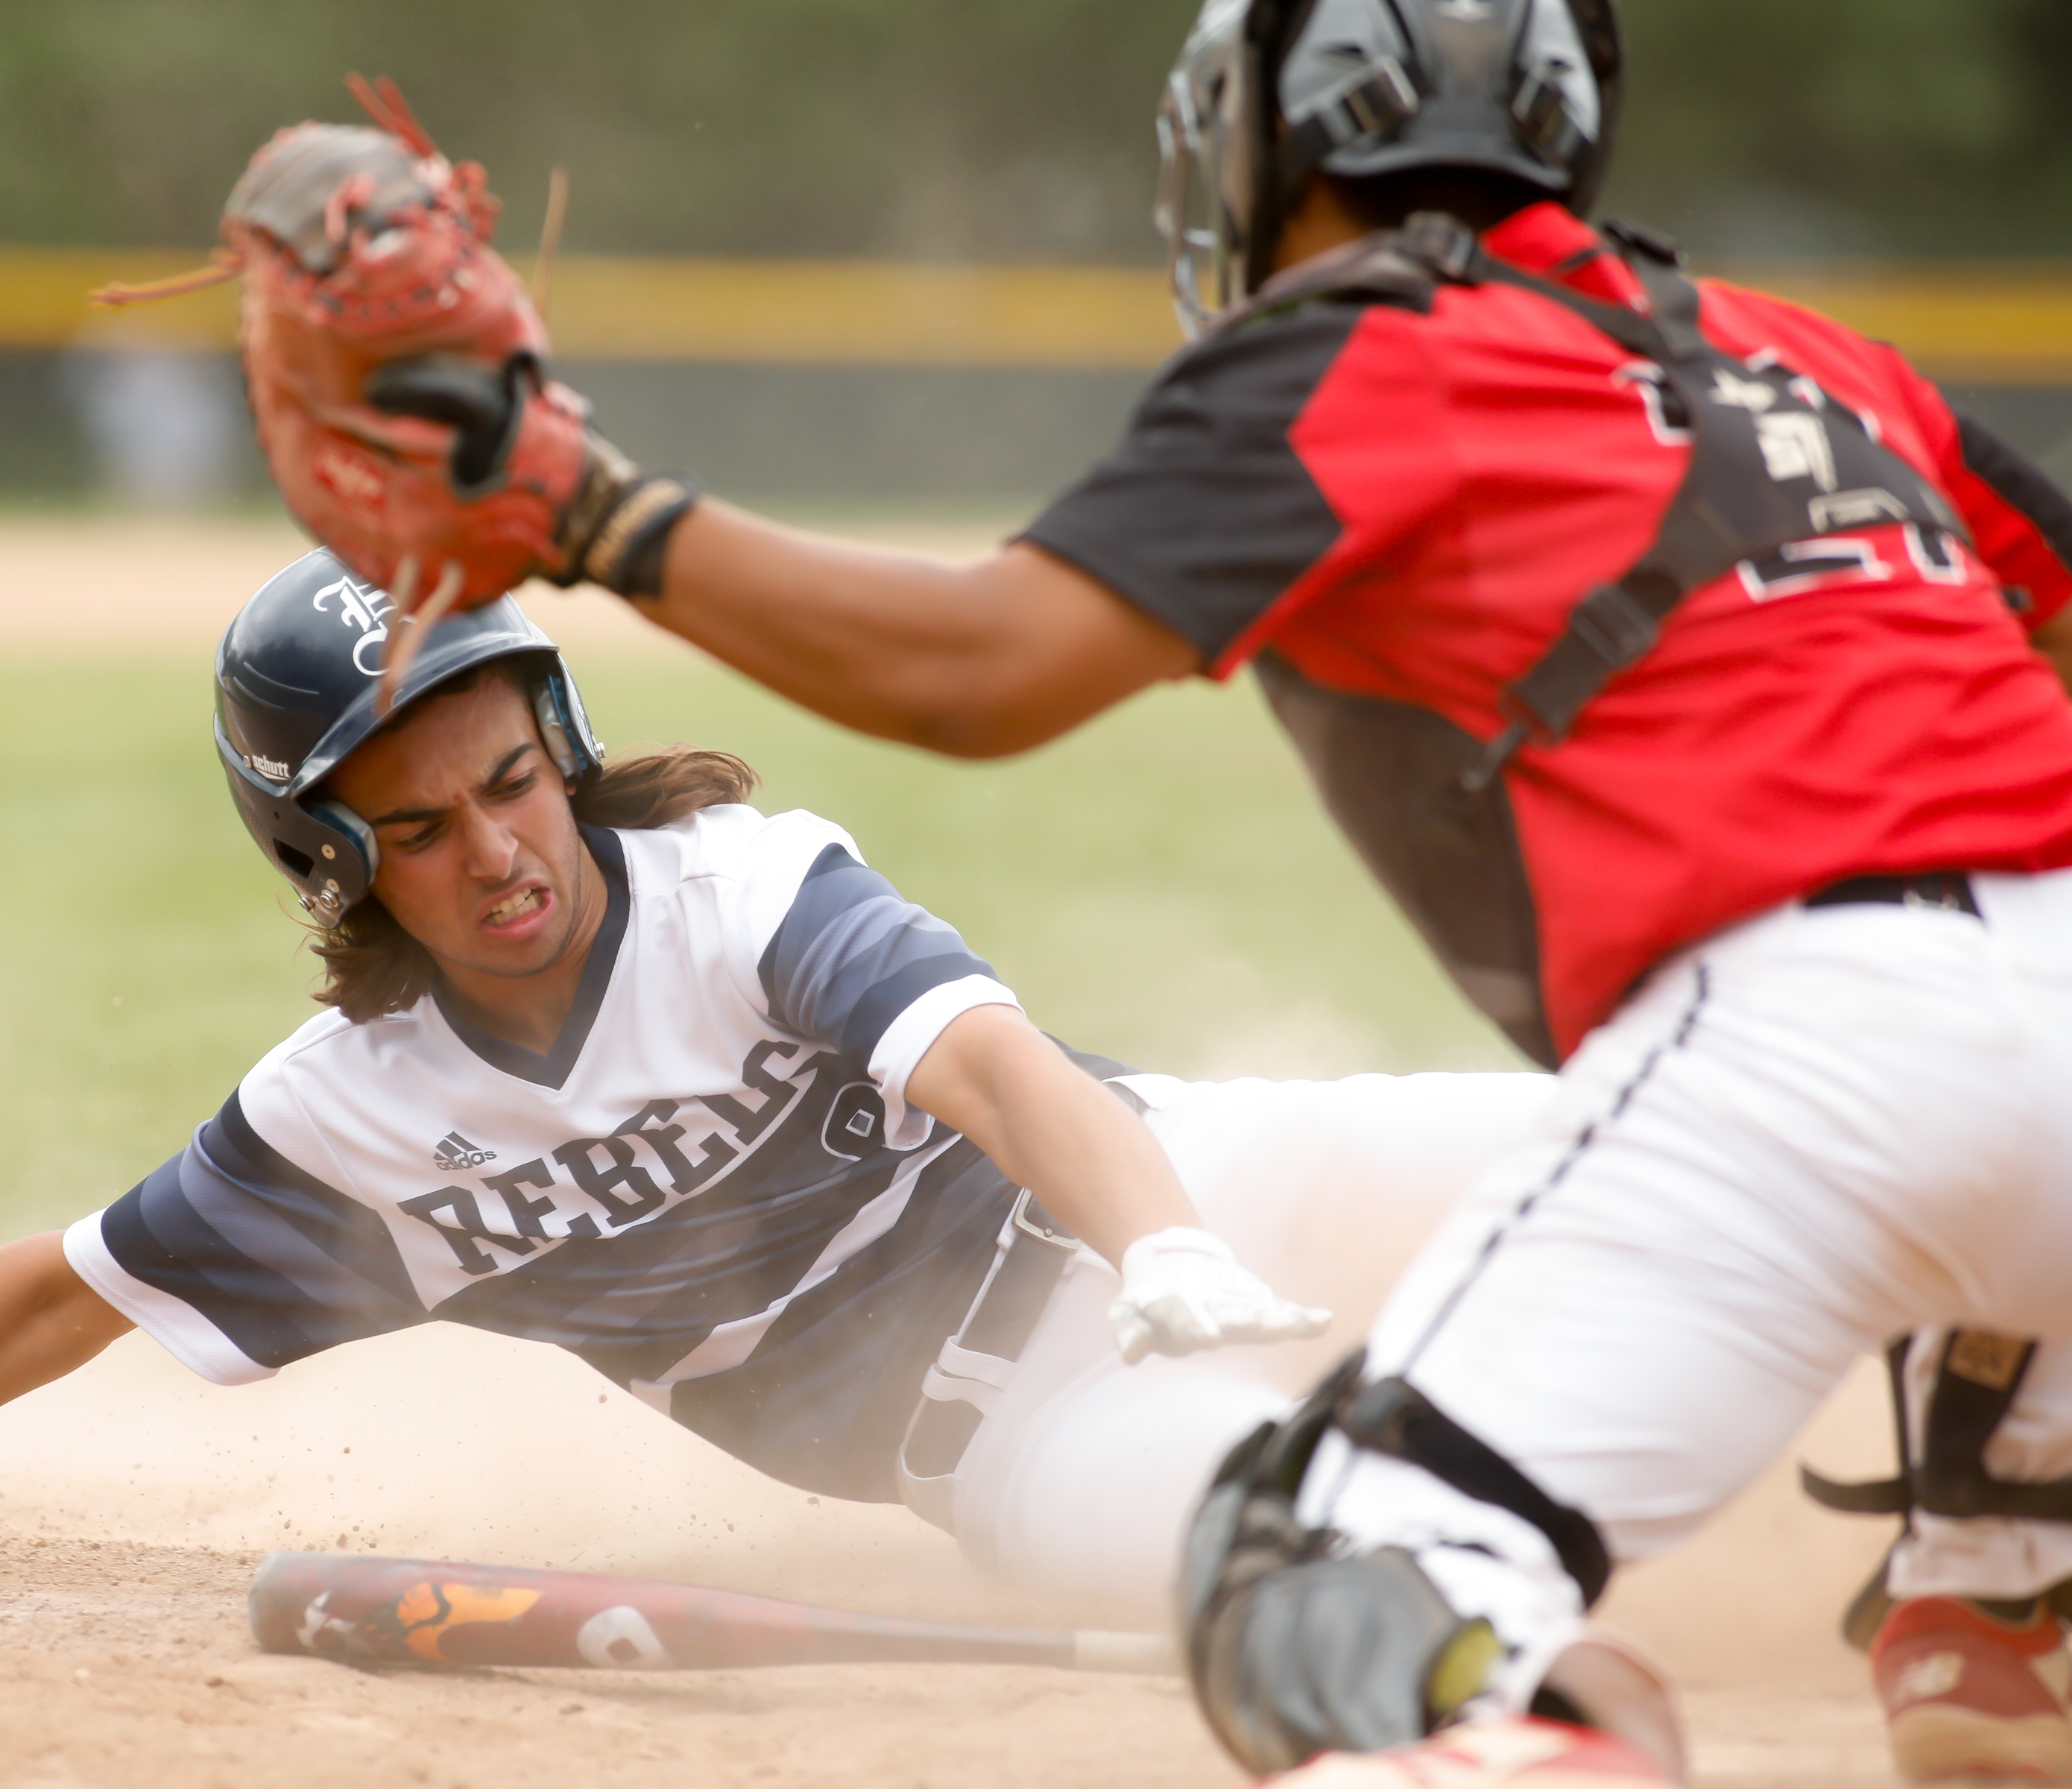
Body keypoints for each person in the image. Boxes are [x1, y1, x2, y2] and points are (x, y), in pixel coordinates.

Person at [231, 2, 2072, 1782]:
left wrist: (586, 507)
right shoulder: (1816, 357)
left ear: (1270, 135)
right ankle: (1989, 1570)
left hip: (1801, 1053)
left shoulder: (1351, 346)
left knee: (1327, 1597)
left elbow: (978, 669)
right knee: (1978, 1332)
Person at [0, 550, 1553, 1632]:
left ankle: (1907, 1470)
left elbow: (998, 1072)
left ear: (565, 741)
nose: (510, 847)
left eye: (517, 779)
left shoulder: (742, 887)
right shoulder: (348, 1127)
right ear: (334, 867)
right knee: (1323, 1554)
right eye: (429, 827)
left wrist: (1169, 1234)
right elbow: (51, 1295)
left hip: (1179, 1176)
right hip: (1018, 1444)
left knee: (1581, 1158)